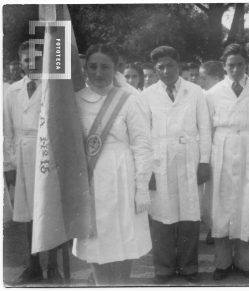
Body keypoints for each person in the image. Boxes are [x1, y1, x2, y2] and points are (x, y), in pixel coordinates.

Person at [72, 44, 153, 286]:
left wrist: (141, 188)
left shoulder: (129, 99)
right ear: (85, 69)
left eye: (105, 67)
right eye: (93, 67)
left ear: (115, 68)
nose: (98, 73)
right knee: (96, 241)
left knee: (124, 239)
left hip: (122, 177)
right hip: (91, 178)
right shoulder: (76, 100)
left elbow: (142, 146)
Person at [141, 46, 211, 284]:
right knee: (161, 215)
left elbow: (205, 129)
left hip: (189, 158)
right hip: (158, 161)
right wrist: (146, 169)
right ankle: (163, 267)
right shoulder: (147, 94)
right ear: (154, 69)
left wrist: (204, 162)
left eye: (170, 65)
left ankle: (189, 266)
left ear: (178, 65)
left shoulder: (196, 92)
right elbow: (142, 136)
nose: (166, 70)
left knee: (189, 214)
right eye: (160, 67)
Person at [206, 44, 249, 281]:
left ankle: (244, 262)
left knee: (247, 206)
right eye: (231, 65)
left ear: (246, 65)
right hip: (222, 151)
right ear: (224, 66)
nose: (236, 69)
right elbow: (207, 128)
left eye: (240, 64)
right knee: (222, 207)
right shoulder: (213, 92)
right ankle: (222, 262)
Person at [3, 41, 62, 285]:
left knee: (51, 212)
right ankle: (33, 265)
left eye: (37, 59)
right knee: (28, 215)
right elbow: (7, 131)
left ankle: (55, 268)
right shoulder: (11, 91)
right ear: (20, 64)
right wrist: (8, 166)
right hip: (23, 153)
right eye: (27, 60)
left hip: (48, 153)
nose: (32, 64)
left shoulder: (53, 87)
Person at [197, 60, 225, 245]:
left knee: (221, 191)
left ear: (214, 76)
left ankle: (219, 228)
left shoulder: (220, 93)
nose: (201, 80)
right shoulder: (204, 95)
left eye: (204, 77)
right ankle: (211, 226)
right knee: (209, 192)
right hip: (207, 147)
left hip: (222, 146)